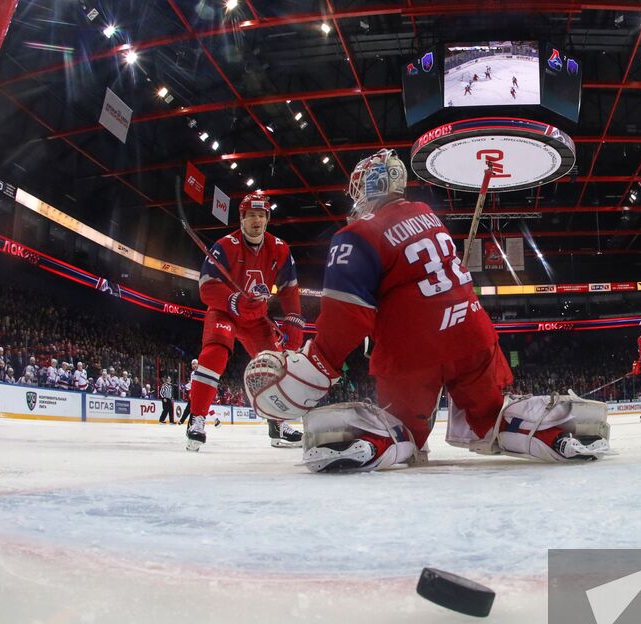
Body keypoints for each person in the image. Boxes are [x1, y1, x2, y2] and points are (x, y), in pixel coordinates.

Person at [242, 148, 608, 472]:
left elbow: (347, 312)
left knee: (404, 429)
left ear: (371, 187)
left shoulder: (356, 234)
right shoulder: (425, 214)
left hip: (412, 348)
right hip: (474, 336)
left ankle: (368, 439)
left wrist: (320, 361)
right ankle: (555, 425)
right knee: (489, 417)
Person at [184, 194, 302, 451]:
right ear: (241, 218)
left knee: (274, 365)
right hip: (225, 312)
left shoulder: (280, 248)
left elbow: (289, 287)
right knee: (215, 353)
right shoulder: (225, 246)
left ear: (268, 219)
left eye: (261, 215)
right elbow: (206, 287)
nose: (257, 220)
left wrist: (294, 318)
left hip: (257, 318)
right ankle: (197, 418)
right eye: (251, 215)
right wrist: (234, 301)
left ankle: (277, 422)